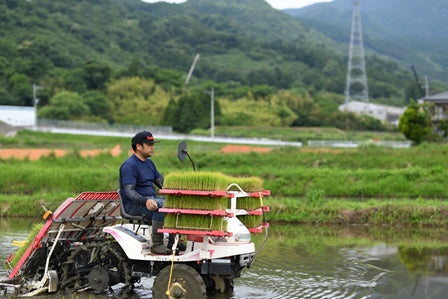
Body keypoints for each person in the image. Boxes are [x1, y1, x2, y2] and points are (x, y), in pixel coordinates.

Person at [119, 131, 174, 254]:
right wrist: (146, 201)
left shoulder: (150, 164)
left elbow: (162, 184)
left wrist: (177, 193)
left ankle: (172, 242)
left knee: (174, 204)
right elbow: (129, 192)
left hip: (151, 200)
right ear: (138, 146)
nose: (152, 147)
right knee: (162, 207)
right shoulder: (129, 165)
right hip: (133, 205)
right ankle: (157, 244)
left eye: (152, 144)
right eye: (149, 144)